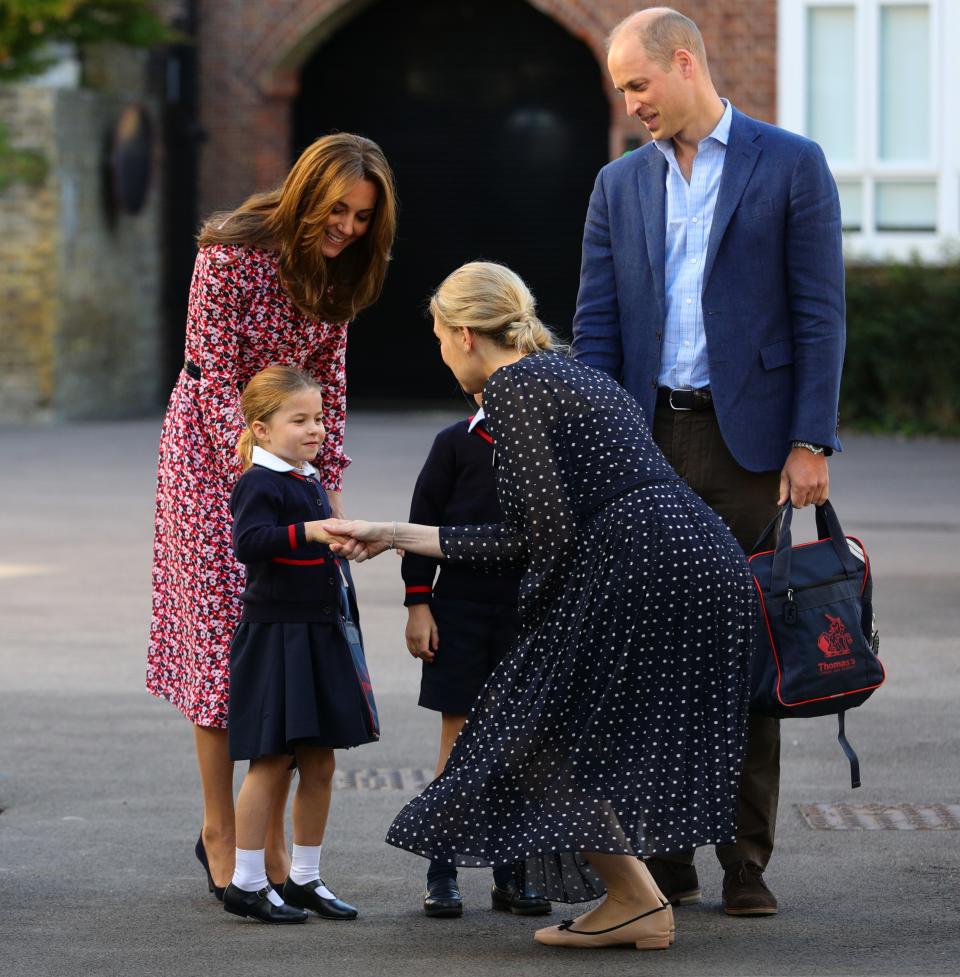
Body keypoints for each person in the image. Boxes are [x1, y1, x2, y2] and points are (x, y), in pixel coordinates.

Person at [323, 261, 756, 951]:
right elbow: (539, 527)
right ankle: (636, 899)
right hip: (697, 552)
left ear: (465, 334)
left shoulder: (513, 387)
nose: (439, 353)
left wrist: (532, 632)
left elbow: (531, 538)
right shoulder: (572, 372)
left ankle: (636, 899)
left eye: (437, 337)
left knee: (532, 730)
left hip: (638, 562)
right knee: (566, 733)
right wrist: (396, 534)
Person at [572, 7, 845, 916]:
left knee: (744, 644)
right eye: (622, 91)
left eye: (637, 84)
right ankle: (668, 857)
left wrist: (810, 440)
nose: (630, 103)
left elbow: (819, 312)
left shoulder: (790, 162)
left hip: (750, 449)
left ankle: (746, 862)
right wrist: (598, 447)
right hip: (648, 440)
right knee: (651, 652)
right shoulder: (617, 186)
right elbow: (597, 326)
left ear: (683, 63)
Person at [146, 133, 397, 900]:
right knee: (227, 645)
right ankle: (221, 831)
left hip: (292, 457)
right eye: (340, 210)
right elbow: (218, 377)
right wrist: (271, 475)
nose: (350, 227)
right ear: (305, 193)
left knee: (290, 645)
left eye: (363, 217)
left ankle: (272, 844)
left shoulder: (343, 268)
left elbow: (332, 385)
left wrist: (330, 486)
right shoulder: (229, 253)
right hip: (210, 456)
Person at [223, 365, 378, 924]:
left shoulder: (307, 478)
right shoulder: (258, 482)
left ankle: (305, 879)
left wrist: (345, 543)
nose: (316, 429)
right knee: (270, 761)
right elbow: (250, 543)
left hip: (320, 632)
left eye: (319, 418)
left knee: (321, 762)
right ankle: (246, 882)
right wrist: (312, 533)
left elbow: (313, 548)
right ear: (262, 430)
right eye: (300, 420)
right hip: (277, 636)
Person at [402, 397, 550, 918]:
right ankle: (441, 869)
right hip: (460, 609)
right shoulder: (454, 443)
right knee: (459, 739)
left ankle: (512, 873)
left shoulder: (546, 444)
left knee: (519, 742)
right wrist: (418, 603)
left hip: (527, 612)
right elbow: (421, 522)